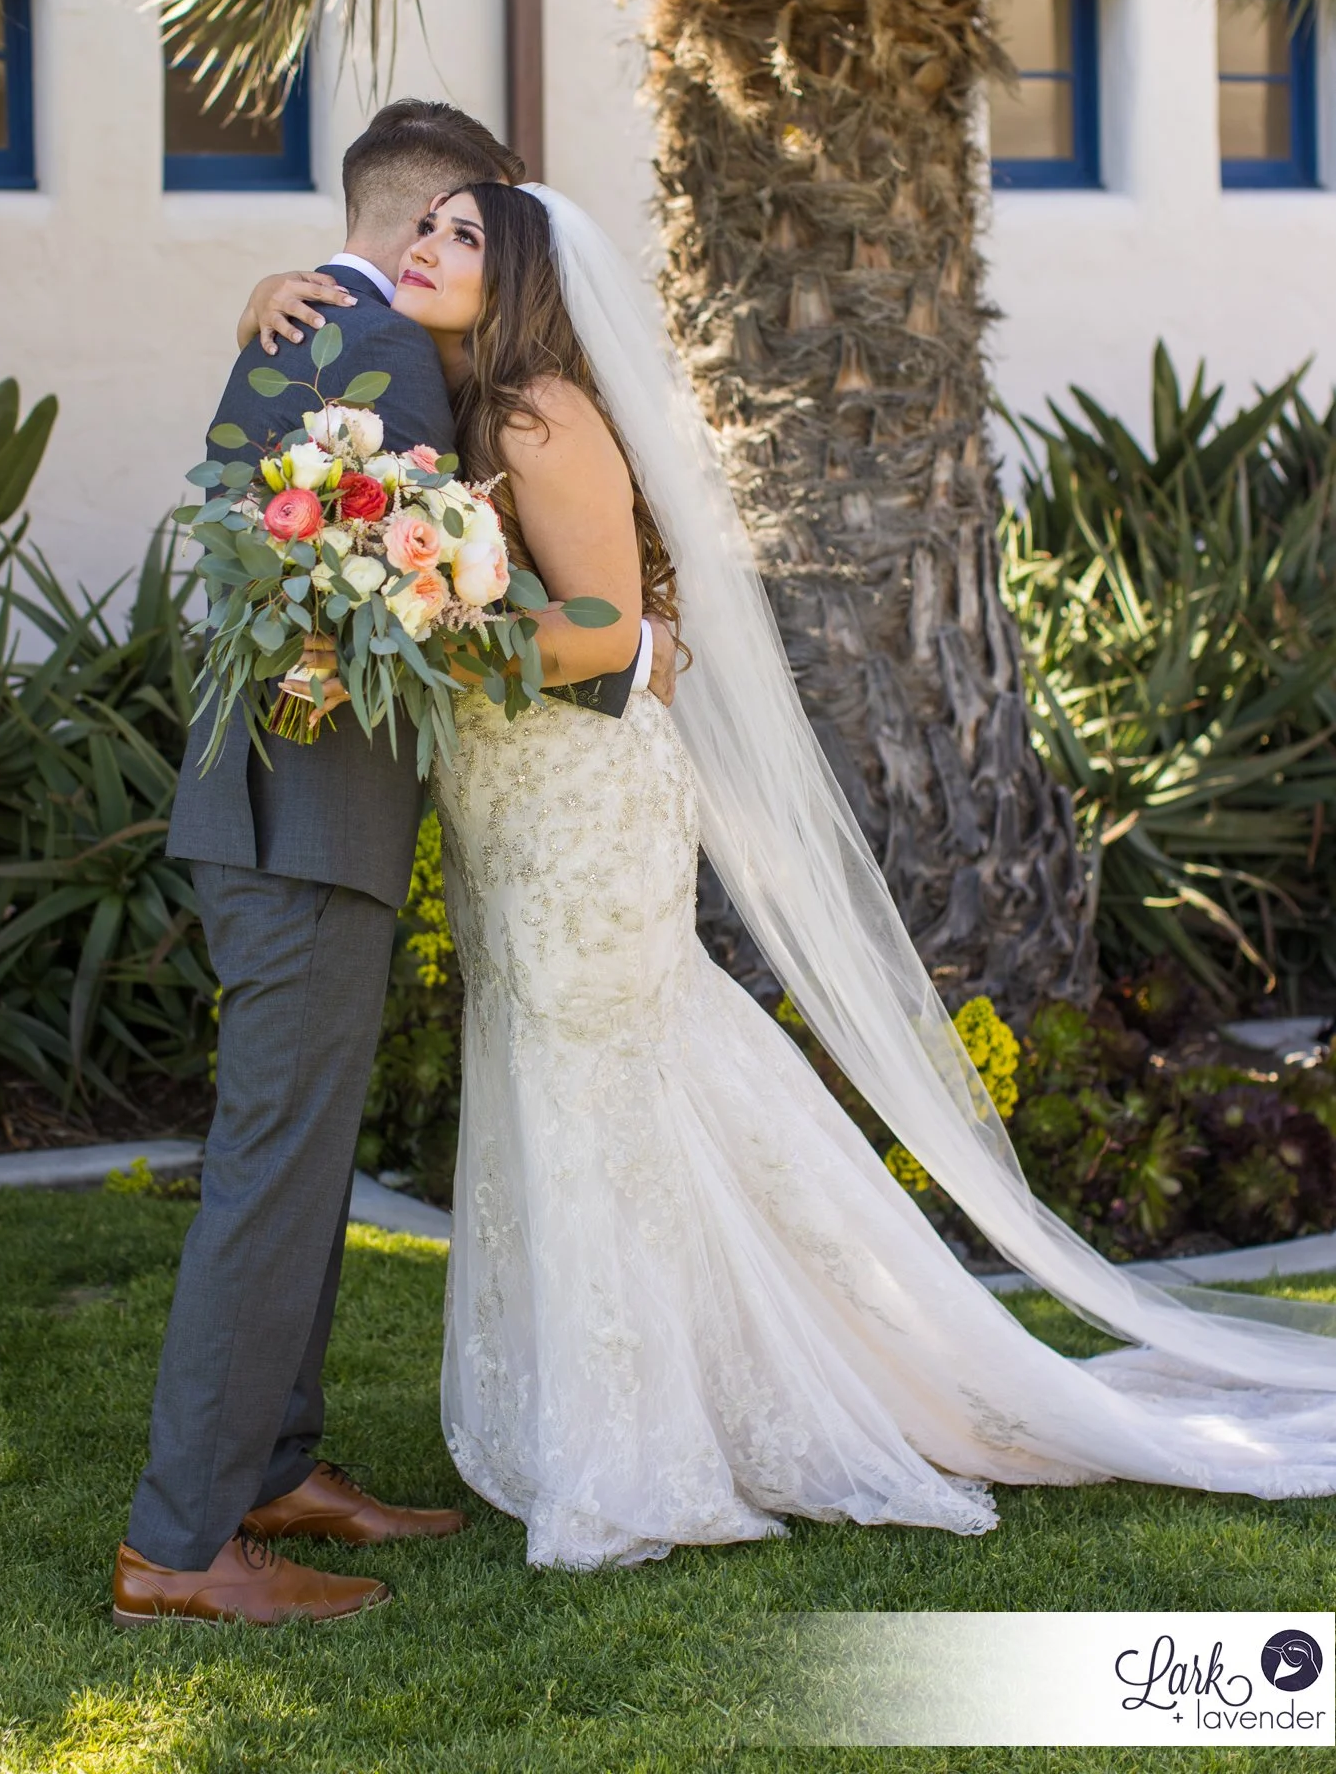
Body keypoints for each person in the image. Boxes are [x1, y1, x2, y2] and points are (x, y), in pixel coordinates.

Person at [371, 177, 1336, 1570]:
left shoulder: (537, 414)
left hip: (584, 811)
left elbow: (607, 628)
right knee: (599, 1082)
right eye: (425, 228)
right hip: (515, 805)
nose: (427, 247)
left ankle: (642, 1448)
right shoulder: (464, 411)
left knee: (602, 1091)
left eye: (464, 235)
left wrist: (416, 632)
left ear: (519, 275)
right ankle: (686, 1391)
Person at [115, 102, 672, 1630]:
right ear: (422, 211)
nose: (455, 246)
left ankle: (276, 1469)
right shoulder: (363, 341)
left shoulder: (328, 329)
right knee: (271, 1175)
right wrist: (618, 655)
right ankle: (179, 1547)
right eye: (456, 219)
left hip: (302, 822)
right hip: (302, 825)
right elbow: (366, 584)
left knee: (300, 1166)